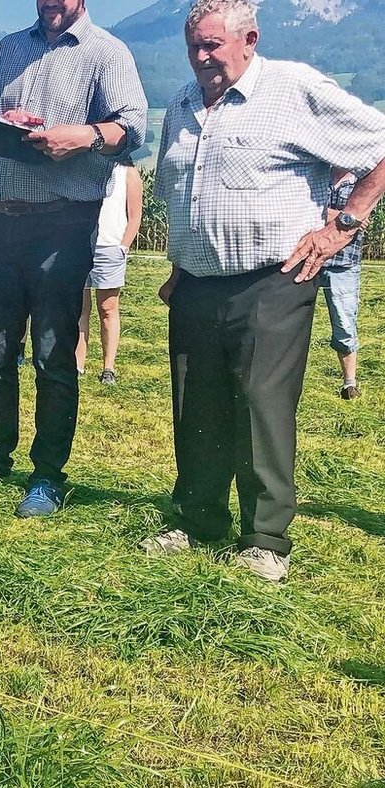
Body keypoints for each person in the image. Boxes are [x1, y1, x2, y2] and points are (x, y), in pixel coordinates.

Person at [141, 0, 385, 582]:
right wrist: (179, 263)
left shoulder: (292, 88)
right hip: (197, 281)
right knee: (194, 401)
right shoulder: (179, 104)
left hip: (274, 278)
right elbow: (182, 191)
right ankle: (198, 516)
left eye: (212, 46)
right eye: (193, 47)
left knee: (259, 403)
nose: (201, 58)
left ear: (249, 39)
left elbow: (380, 144)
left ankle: (265, 537)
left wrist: (343, 226)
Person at [0, 0, 147, 520]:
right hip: (1, 217)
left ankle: (48, 475)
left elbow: (135, 128)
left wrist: (86, 135)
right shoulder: (7, 48)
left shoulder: (106, 52)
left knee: (53, 355)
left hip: (65, 221)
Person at [75, 162, 143, 383]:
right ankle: (77, 365)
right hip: (80, 246)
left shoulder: (128, 173)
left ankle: (108, 368)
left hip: (110, 248)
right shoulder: (82, 166)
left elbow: (135, 216)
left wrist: (122, 247)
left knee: (108, 309)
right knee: (79, 309)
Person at [321, 169, 364, 401]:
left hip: (344, 265)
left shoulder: (364, 182)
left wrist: (325, 214)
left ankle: (349, 384)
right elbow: (351, 218)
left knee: (344, 324)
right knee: (290, 322)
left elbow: (362, 218)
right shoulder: (317, 175)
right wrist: (344, 216)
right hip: (310, 258)